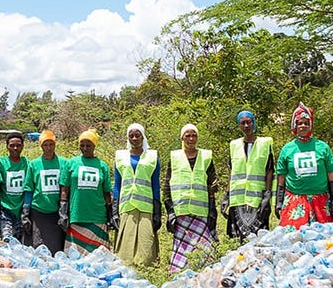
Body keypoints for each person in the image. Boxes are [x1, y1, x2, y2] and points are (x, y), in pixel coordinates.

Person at [274, 103, 333, 229]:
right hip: (295, 201)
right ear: (295, 125)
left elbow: (332, 177)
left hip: (320, 202)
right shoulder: (287, 149)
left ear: (311, 125)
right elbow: (281, 180)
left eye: (306, 123)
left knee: (322, 240)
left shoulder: (323, 147)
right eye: (300, 123)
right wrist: (278, 201)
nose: (303, 126)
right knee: (293, 239)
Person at [163, 124, 218, 272]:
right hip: (181, 211)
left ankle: (204, 273)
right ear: (182, 138)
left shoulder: (206, 156)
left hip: (201, 211)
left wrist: (212, 208)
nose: (191, 138)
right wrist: (170, 210)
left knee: (204, 247)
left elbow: (212, 183)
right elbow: (167, 185)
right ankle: (180, 275)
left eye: (194, 135)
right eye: (188, 135)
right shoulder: (174, 157)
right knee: (182, 246)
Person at [112, 123, 160, 267]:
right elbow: (117, 185)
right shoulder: (120, 156)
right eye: (131, 135)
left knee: (146, 244)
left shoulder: (152, 157)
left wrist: (157, 211)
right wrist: (114, 210)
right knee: (125, 248)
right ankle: (126, 272)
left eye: (137, 135)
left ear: (143, 136)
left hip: (146, 207)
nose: (134, 138)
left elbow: (155, 185)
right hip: (126, 206)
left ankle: (146, 271)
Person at [59, 129, 114, 254]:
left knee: (99, 258)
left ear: (94, 146)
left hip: (97, 216)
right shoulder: (71, 163)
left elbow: (106, 193)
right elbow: (64, 189)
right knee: (75, 257)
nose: (85, 148)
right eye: (82, 145)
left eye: (88, 145)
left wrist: (111, 213)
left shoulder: (102, 165)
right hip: (77, 215)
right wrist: (63, 211)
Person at [222, 110, 275, 240]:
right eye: (243, 123)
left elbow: (269, 169)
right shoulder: (234, 145)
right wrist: (226, 195)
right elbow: (231, 171)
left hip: (257, 198)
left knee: (259, 238)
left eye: (249, 122)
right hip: (238, 199)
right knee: (236, 238)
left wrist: (267, 194)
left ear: (254, 123)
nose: (246, 126)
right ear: (239, 126)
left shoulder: (264, 143)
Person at [22, 130, 67, 255]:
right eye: (45, 145)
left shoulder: (64, 163)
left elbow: (65, 187)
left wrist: (63, 211)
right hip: (39, 211)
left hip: (56, 212)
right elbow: (29, 189)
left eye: (51, 144)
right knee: (39, 245)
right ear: (41, 146)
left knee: (56, 247)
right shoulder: (34, 164)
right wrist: (25, 212)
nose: (48, 148)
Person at [0, 131, 30, 243]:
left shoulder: (26, 163)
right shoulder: (1, 163)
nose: (15, 148)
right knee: (7, 241)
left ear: (23, 146)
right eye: (12, 145)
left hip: (22, 210)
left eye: (18, 145)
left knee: (21, 243)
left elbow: (29, 187)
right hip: (5, 209)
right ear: (7, 146)